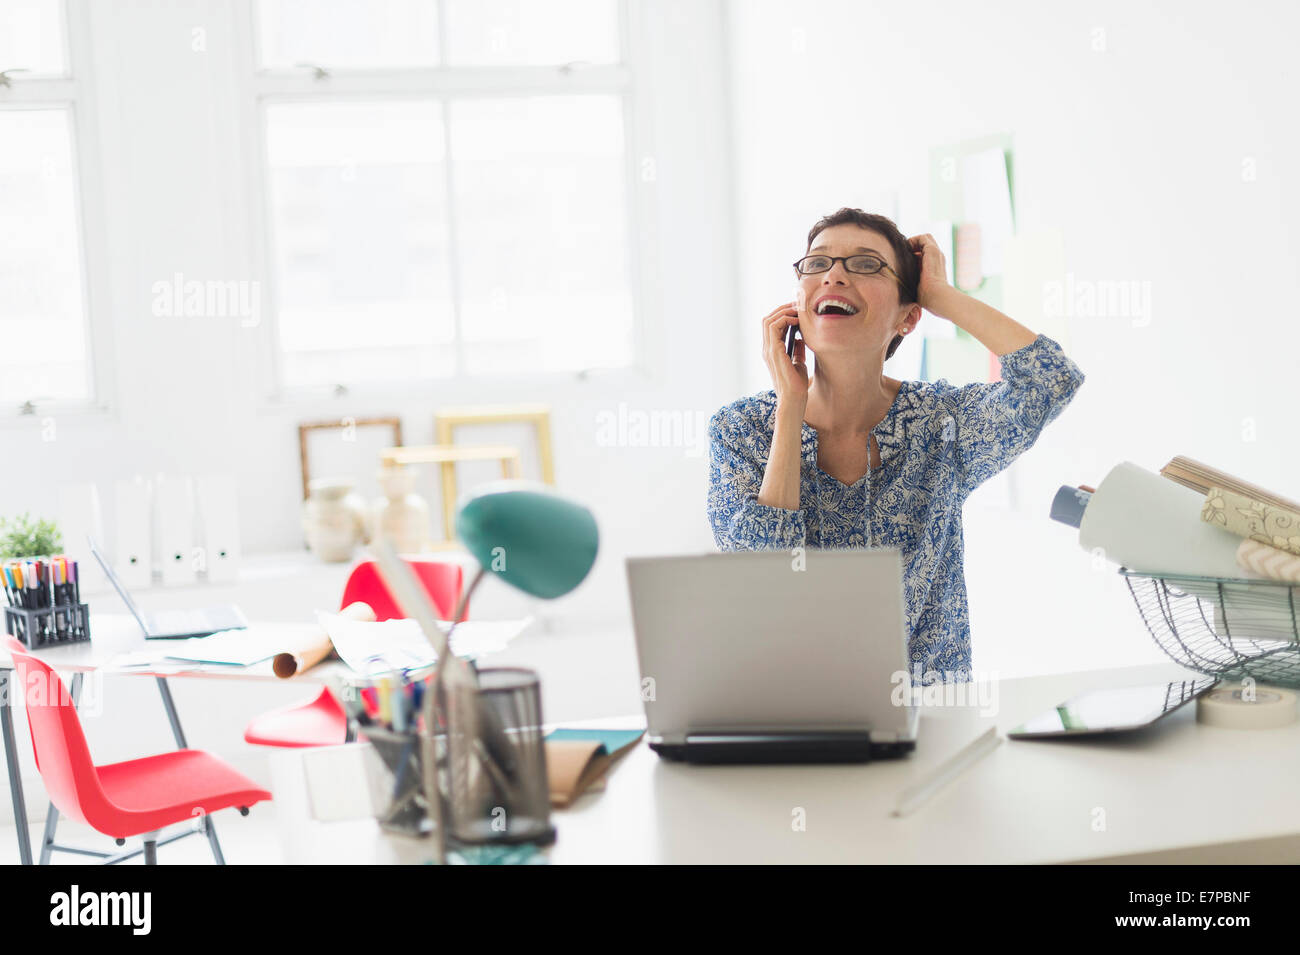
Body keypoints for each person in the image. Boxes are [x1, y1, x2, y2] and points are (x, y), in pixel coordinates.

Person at [706, 207, 1086, 681]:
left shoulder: (940, 424)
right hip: (792, 710)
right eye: (817, 263)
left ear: (908, 318)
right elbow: (767, 579)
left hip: (931, 721)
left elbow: (1050, 381)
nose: (835, 275)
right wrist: (790, 407)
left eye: (865, 264)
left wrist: (942, 297)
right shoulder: (741, 430)